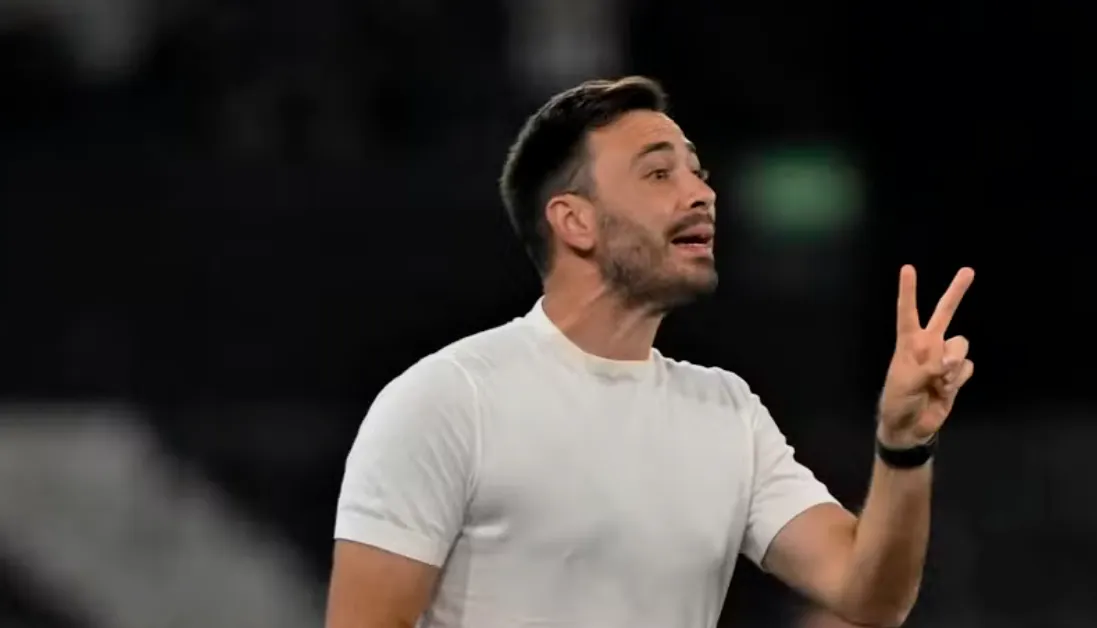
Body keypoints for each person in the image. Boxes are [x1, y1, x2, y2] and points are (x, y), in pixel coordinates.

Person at [325, 76, 975, 628]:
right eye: (660, 173)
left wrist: (903, 446)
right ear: (574, 221)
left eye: (698, 173)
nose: (701, 194)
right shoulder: (448, 399)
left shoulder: (727, 411)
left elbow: (869, 595)